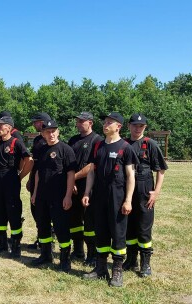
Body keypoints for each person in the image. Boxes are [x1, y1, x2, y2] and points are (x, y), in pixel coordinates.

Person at [82, 112, 138, 287]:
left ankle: (117, 270)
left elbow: (130, 176)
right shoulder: (98, 146)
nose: (105, 125)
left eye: (109, 123)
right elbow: (91, 171)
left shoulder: (125, 147)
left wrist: (128, 200)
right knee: (101, 230)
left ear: (118, 127)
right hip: (99, 194)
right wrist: (86, 192)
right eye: (105, 122)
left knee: (118, 232)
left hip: (117, 195)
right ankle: (100, 268)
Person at [124, 113, 168, 277]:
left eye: (141, 126)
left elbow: (161, 170)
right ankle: (131, 259)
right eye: (134, 125)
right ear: (129, 126)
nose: (137, 128)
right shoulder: (124, 144)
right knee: (129, 225)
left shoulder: (150, 144)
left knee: (143, 226)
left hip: (144, 187)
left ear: (145, 128)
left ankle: (145, 264)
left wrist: (156, 192)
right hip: (127, 189)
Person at [30, 119, 76, 271]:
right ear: (43, 134)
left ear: (58, 132)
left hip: (59, 196)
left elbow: (71, 174)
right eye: (48, 132)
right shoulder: (41, 150)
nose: (51, 134)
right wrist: (35, 193)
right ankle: (45, 255)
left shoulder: (66, 150)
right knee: (42, 226)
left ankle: (64, 259)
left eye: (54, 131)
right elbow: (37, 173)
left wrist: (68, 195)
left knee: (61, 228)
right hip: (42, 196)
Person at [0, 116, 32, 258]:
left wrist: (20, 176)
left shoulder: (16, 142)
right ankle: (2, 243)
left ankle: (16, 246)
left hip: (11, 181)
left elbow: (29, 160)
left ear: (9, 127)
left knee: (13, 213)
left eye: (1, 125)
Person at [68, 112, 104, 266]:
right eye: (77, 121)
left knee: (90, 222)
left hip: (89, 186)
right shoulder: (73, 140)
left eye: (81, 121)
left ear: (90, 123)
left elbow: (91, 166)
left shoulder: (97, 141)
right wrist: (71, 182)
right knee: (74, 220)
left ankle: (92, 254)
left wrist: (74, 178)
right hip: (73, 185)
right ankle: (78, 250)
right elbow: (68, 163)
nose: (78, 123)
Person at [25, 112, 52, 249]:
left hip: (47, 181)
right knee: (35, 210)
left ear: (43, 122)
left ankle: (48, 241)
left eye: (36, 122)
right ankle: (41, 237)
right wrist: (30, 179)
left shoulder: (50, 139)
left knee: (45, 211)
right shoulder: (36, 140)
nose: (34, 125)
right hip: (36, 178)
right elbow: (34, 163)